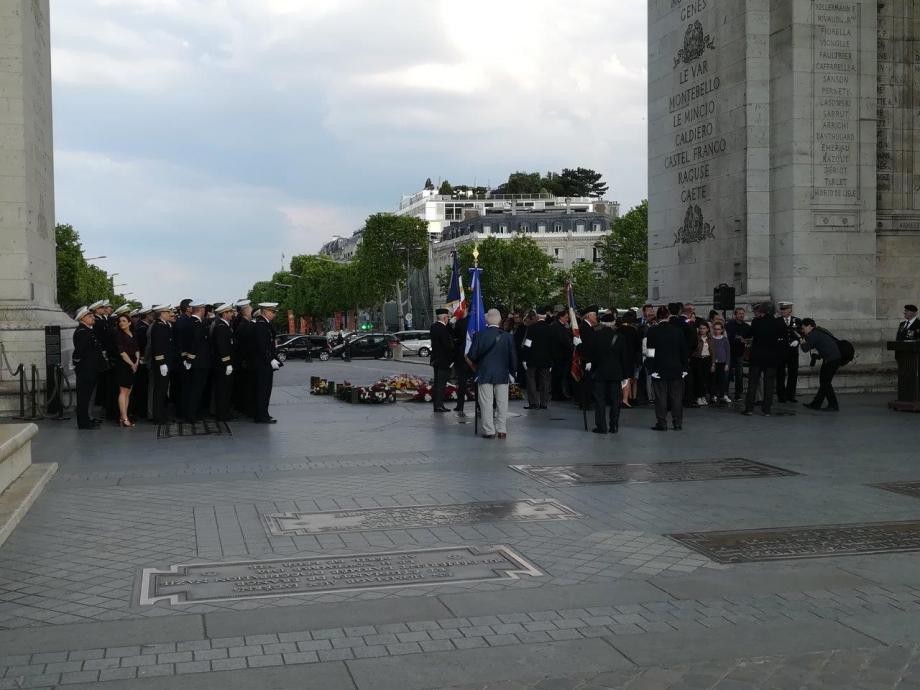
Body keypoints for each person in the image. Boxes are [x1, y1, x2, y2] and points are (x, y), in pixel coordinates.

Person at [465, 308, 518, 439]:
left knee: (486, 403)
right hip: (502, 373)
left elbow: (472, 355)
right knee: (502, 403)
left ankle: (489, 431)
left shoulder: (479, 335)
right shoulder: (508, 337)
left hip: (484, 373)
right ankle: (502, 429)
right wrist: (513, 373)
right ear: (500, 320)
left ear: (487, 320)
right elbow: (513, 357)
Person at [647, 303, 689, 430]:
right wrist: (684, 368)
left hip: (659, 369)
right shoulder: (677, 331)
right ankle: (677, 423)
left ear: (658, 317)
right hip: (676, 369)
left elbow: (650, 352)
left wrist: (651, 368)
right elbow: (683, 351)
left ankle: (662, 422)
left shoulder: (652, 331)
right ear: (668, 316)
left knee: (661, 398)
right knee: (676, 398)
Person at [587, 311, 631, 434]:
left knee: (600, 401)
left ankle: (601, 426)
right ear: (613, 323)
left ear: (601, 322)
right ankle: (614, 425)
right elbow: (624, 357)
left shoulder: (596, 336)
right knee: (615, 400)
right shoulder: (620, 337)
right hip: (616, 373)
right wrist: (625, 375)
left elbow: (592, 355)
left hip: (600, 372)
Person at [743, 302, 785, 416]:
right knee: (769, 384)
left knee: (753, 383)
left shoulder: (756, 322)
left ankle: (749, 409)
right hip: (771, 358)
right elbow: (783, 338)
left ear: (763, 311)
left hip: (757, 357)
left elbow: (748, 334)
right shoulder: (778, 323)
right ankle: (766, 410)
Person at [72, 306, 106, 430]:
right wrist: (78, 364)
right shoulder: (82, 332)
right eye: (90, 316)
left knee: (88, 397)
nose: (93, 318)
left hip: (91, 368)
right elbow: (78, 352)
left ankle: (87, 419)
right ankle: (83, 423)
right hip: (86, 370)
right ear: (82, 318)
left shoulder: (88, 330)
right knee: (83, 398)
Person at [800, 318, 842, 411]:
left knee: (825, 383)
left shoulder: (814, 334)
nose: (803, 330)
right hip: (832, 358)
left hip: (831, 359)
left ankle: (833, 405)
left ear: (810, 326)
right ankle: (816, 404)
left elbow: (805, 348)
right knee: (824, 382)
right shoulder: (818, 331)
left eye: (803, 328)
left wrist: (801, 341)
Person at [250, 302, 281, 423]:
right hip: (263, 363)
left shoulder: (265, 324)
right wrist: (270, 359)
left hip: (264, 362)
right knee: (263, 390)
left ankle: (263, 414)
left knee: (265, 390)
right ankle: (261, 416)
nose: (274, 314)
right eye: (272, 312)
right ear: (265, 311)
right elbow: (261, 345)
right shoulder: (261, 325)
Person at [181, 301, 211, 422]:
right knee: (196, 390)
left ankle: (191, 413)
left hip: (194, 361)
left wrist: (187, 358)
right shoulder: (197, 324)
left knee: (193, 389)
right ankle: (192, 415)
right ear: (201, 309)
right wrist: (190, 359)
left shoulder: (189, 322)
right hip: (199, 363)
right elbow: (195, 344)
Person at [149, 305, 175, 424]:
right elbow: (158, 346)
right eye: (167, 312)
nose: (169, 313)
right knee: (160, 391)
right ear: (161, 313)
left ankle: (162, 415)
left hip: (166, 362)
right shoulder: (159, 327)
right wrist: (161, 363)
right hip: (161, 363)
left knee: (163, 390)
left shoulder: (164, 325)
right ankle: (158, 417)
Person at [523, 307, 553, 409]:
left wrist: (525, 357)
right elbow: (552, 346)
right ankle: (544, 403)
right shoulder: (550, 328)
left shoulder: (532, 328)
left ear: (537, 316)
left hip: (532, 357)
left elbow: (527, 344)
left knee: (531, 379)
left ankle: (533, 402)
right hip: (546, 358)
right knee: (545, 380)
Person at [113, 313, 139, 427]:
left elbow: (137, 349)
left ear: (129, 322)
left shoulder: (133, 334)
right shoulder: (118, 335)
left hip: (133, 365)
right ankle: (124, 418)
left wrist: (137, 362)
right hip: (123, 365)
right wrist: (131, 364)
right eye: (120, 321)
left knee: (128, 392)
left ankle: (123, 416)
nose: (121, 323)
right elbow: (122, 353)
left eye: (124, 321)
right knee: (123, 392)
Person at [211, 303, 236, 422]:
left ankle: (225, 412)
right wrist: (227, 363)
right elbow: (222, 347)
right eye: (230, 312)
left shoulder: (225, 325)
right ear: (224, 313)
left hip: (224, 363)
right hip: (223, 364)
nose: (232, 314)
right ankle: (222, 414)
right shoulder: (221, 327)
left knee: (226, 390)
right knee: (223, 390)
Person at [776, 302, 802, 402]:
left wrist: (798, 341)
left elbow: (802, 334)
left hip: (793, 352)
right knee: (780, 374)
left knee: (793, 373)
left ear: (790, 310)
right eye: (781, 309)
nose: (783, 311)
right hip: (781, 352)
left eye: (785, 309)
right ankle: (781, 396)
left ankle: (791, 395)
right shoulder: (777, 321)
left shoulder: (797, 320)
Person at [131, 307, 154, 419]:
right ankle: (142, 411)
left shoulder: (143, 326)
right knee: (142, 387)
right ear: (147, 315)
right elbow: (142, 345)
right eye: (151, 314)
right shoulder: (142, 328)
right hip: (143, 360)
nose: (153, 315)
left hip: (144, 359)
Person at [429, 307, 454, 413]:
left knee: (438, 383)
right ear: (444, 318)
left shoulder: (434, 327)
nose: (448, 319)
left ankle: (438, 404)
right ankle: (439, 405)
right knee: (441, 384)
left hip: (436, 359)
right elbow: (447, 345)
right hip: (444, 360)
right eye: (447, 317)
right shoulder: (443, 329)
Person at [232, 300, 254, 417]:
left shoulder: (241, 324)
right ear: (246, 312)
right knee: (245, 388)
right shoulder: (245, 325)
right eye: (250, 310)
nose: (252, 312)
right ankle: (246, 409)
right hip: (245, 361)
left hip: (241, 361)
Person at [725, 307, 751, 399]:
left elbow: (749, 338)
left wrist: (745, 340)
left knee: (739, 374)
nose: (741, 315)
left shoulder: (747, 326)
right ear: (735, 315)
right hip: (730, 353)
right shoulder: (729, 325)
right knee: (727, 373)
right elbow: (729, 337)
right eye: (739, 313)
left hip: (740, 353)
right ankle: (725, 393)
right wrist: (739, 339)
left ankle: (738, 393)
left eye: (743, 313)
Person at [549, 310, 573, 401]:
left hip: (558, 355)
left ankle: (557, 393)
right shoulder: (557, 327)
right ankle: (557, 394)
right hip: (560, 355)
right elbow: (564, 340)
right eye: (566, 317)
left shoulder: (556, 326)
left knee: (558, 375)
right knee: (559, 376)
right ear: (561, 317)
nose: (567, 319)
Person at [451, 307, 471, 416]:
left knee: (462, 382)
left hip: (461, 356)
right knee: (476, 383)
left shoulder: (459, 323)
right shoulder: (473, 322)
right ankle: (479, 405)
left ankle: (460, 405)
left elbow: (455, 338)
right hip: (473, 356)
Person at [690, 321, 713, 406]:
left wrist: (713, 363)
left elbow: (713, 351)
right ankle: (698, 397)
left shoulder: (710, 338)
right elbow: (693, 350)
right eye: (700, 328)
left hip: (707, 359)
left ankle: (703, 396)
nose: (702, 330)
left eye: (704, 328)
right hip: (697, 360)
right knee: (698, 379)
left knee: (705, 379)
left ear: (707, 329)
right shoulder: (696, 338)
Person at [710, 320, 732, 404]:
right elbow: (712, 352)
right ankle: (714, 395)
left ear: (722, 330)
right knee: (714, 380)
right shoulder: (711, 339)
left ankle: (722, 395)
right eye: (715, 329)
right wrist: (712, 363)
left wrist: (727, 364)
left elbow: (728, 352)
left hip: (723, 363)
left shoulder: (724, 339)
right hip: (714, 363)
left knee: (722, 380)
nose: (717, 331)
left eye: (719, 329)